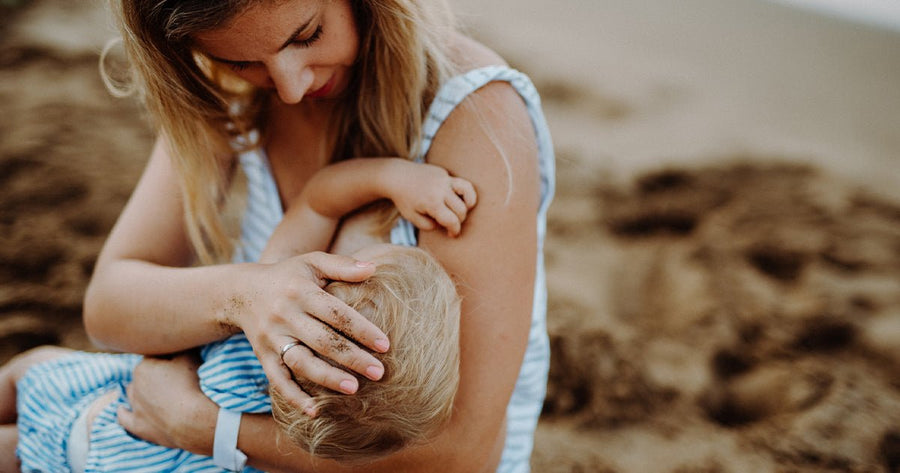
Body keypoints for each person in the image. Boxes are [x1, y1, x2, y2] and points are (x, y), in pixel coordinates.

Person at [78, 0, 555, 472]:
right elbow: (109, 307)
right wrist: (244, 295)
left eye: (307, 35)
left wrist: (208, 427)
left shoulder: (476, 111)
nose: (290, 87)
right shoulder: (224, 86)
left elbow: (464, 453)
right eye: (242, 61)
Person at [2, 157, 472, 471]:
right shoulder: (308, 429)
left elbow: (318, 199)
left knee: (28, 369)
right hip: (108, 459)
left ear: (330, 284)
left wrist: (393, 176)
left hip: (105, 407)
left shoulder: (283, 298)